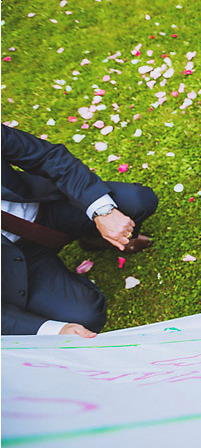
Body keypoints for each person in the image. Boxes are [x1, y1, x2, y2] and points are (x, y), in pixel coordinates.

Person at [2, 126, 157, 336]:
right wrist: (53, 330)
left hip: (45, 209)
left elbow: (47, 156)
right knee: (86, 317)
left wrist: (102, 212)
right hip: (12, 264)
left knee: (137, 201)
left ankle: (96, 238)